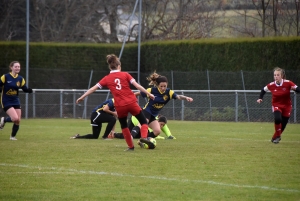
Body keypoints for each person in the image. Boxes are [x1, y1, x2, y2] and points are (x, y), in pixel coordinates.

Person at [76, 54, 155, 151]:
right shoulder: (125, 74)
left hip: (120, 106)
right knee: (143, 121)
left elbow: (93, 88)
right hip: (131, 102)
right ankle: (144, 137)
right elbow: (138, 86)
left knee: (124, 126)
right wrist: (149, 94)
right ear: (119, 66)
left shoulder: (107, 78)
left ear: (110, 66)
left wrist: (82, 97)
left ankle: (130, 147)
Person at [135, 71, 193, 138]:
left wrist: (186, 98)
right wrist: (131, 96)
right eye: (161, 86)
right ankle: (131, 137)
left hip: (153, 115)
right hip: (146, 111)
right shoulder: (152, 90)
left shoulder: (169, 92)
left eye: (164, 86)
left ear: (167, 84)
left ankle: (144, 140)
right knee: (142, 124)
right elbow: (139, 93)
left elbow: (178, 96)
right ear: (157, 85)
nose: (163, 88)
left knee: (157, 131)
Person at [257, 67, 299, 144]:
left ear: (281, 76)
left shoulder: (288, 83)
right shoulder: (271, 85)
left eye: (278, 75)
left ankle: (274, 138)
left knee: (283, 125)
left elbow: (298, 89)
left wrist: (295, 89)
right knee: (278, 118)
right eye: (275, 75)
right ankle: (278, 137)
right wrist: (260, 98)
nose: (276, 76)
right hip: (276, 105)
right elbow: (263, 90)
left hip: (287, 106)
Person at [0, 61, 33, 140]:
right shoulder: (5, 77)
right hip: (6, 100)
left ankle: (12, 137)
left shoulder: (20, 78)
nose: (17, 68)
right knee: (14, 118)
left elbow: (24, 88)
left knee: (18, 120)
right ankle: (3, 119)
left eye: (19, 67)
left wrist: (29, 90)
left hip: (15, 100)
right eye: (16, 66)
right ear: (11, 67)